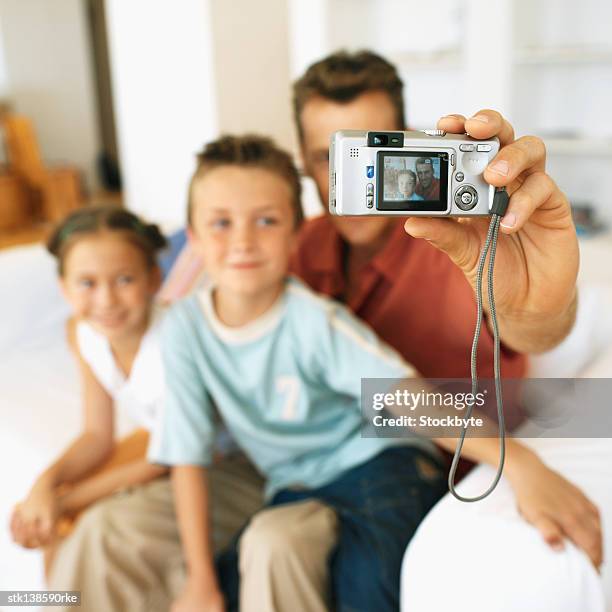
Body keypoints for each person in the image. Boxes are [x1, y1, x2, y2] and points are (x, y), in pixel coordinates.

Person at [50, 50, 597, 611]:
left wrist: (524, 442)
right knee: (109, 534)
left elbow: (516, 342)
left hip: (414, 454)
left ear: (406, 143)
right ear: (307, 166)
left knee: (312, 559)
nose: (356, 179)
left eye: (371, 152)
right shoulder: (288, 244)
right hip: (285, 467)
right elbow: (186, 309)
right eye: (330, 156)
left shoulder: (468, 245)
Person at [150, 133, 590, 612]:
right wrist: (200, 582)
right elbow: (186, 450)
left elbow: (406, 396)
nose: (243, 241)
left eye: (266, 220)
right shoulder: (183, 328)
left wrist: (520, 463)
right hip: (296, 484)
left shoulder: (313, 320)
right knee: (242, 571)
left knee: (370, 587)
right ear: (191, 237)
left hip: (379, 464)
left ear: (297, 232)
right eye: (220, 223)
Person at [23, 206, 264, 612]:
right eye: (87, 283)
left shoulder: (175, 341)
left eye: (124, 280)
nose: (106, 300)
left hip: (232, 463)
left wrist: (70, 499)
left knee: (97, 525)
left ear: (154, 279)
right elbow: (97, 435)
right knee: (56, 517)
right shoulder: (84, 335)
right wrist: (44, 487)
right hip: (170, 454)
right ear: (64, 288)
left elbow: (170, 458)